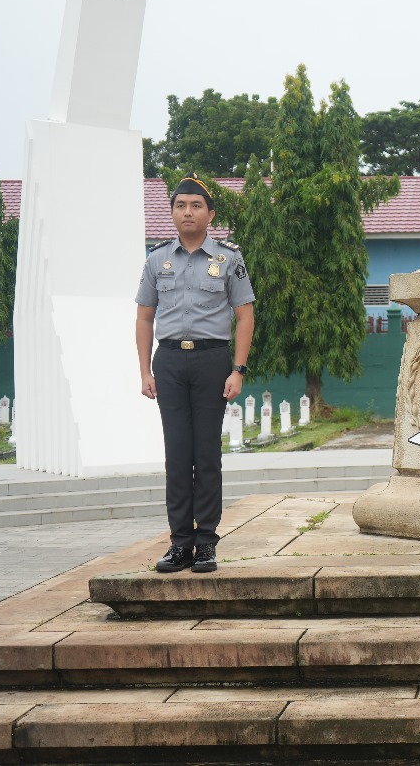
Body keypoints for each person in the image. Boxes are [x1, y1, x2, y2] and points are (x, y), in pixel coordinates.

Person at [135, 175, 255, 574]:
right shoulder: (156, 260)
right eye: (181, 205)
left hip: (211, 361)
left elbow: (244, 315)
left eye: (196, 206)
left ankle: (206, 542)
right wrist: (144, 370)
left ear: (210, 214)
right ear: (171, 213)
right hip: (168, 362)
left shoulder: (228, 258)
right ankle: (178, 543)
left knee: (206, 454)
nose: (188, 212)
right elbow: (145, 316)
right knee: (176, 454)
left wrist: (238, 369)